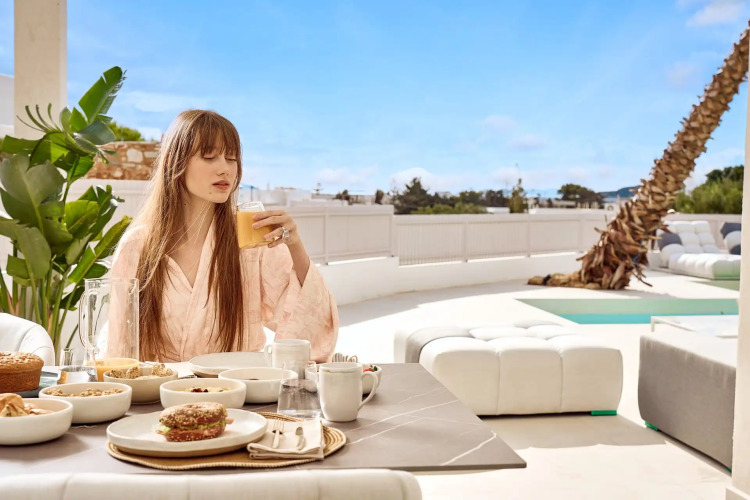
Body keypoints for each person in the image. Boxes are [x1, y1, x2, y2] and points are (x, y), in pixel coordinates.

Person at [109, 109, 338, 363]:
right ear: (175, 162)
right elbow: (119, 348)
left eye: (231, 158)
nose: (225, 169)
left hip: (240, 383)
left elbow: (309, 322)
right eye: (209, 157)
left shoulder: (250, 238)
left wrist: (295, 245)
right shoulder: (137, 247)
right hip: (163, 386)